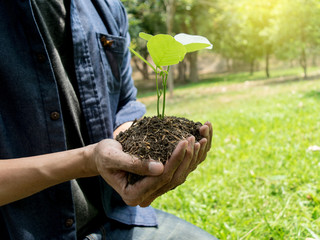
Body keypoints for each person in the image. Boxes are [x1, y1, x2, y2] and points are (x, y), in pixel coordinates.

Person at [0, 0, 216, 239]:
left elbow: (124, 106)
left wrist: (136, 153)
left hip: (112, 218)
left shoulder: (107, 8)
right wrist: (89, 160)